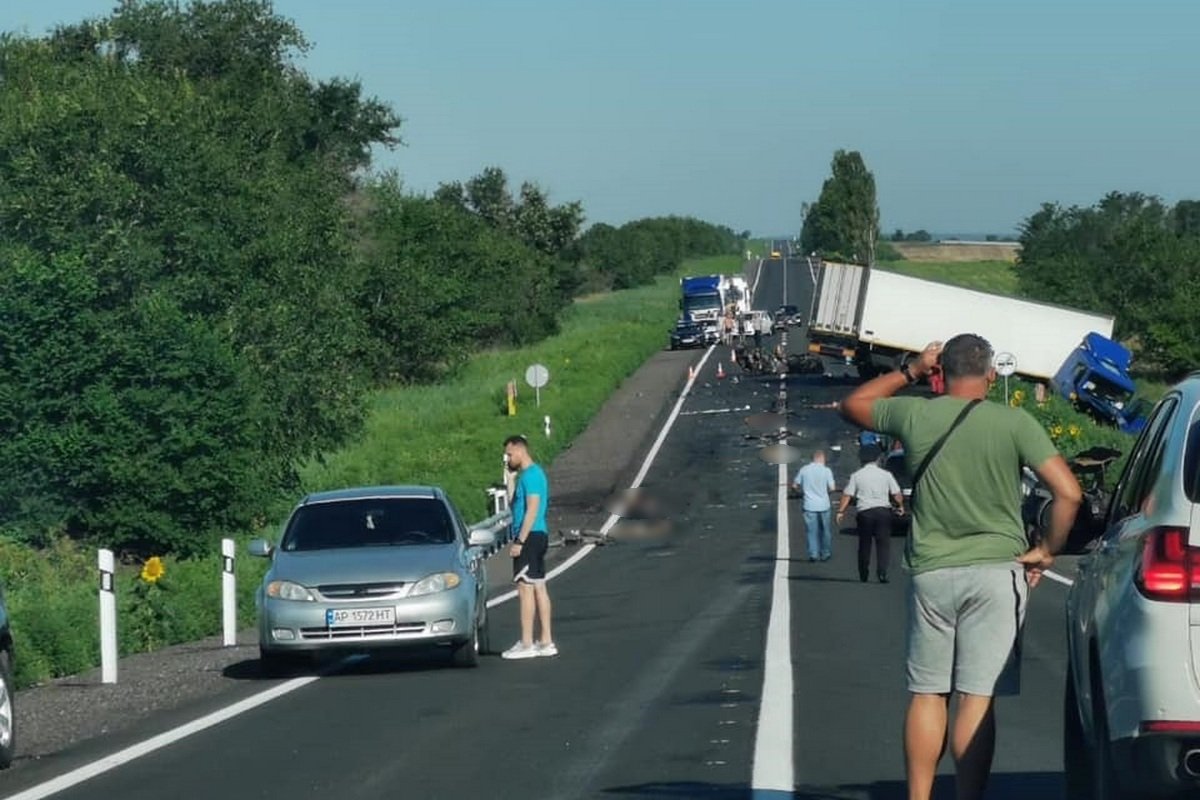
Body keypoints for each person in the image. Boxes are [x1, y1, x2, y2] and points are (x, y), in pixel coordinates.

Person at [839, 334, 1081, 800]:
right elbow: (1068, 493)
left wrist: (910, 371)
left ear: (940, 373)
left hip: (932, 570)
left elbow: (854, 404)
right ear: (991, 374)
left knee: (929, 692)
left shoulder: (914, 414)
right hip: (996, 570)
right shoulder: (1015, 422)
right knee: (977, 695)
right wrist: (1047, 549)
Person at [500, 434, 557, 660]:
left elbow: (532, 509)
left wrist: (519, 541)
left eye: (509, 454)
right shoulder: (529, 476)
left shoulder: (532, 475)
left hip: (530, 537)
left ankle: (526, 643)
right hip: (538, 535)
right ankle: (545, 641)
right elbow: (516, 504)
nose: (507, 459)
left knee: (525, 588)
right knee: (538, 586)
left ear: (519, 449)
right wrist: (510, 479)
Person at [836, 444, 904, 583]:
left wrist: (841, 511)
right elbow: (896, 493)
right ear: (878, 458)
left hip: (865, 512)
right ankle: (882, 571)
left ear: (861, 459)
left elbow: (847, 495)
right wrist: (900, 505)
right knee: (883, 543)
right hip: (883, 512)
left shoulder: (856, 475)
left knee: (864, 543)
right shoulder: (886, 475)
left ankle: (863, 570)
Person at [792, 450, 837, 562]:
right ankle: (825, 553)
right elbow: (832, 488)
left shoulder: (804, 469)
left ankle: (813, 553)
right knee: (825, 530)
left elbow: (795, 485)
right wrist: (826, 493)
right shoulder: (826, 470)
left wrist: (799, 493)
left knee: (811, 531)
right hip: (824, 504)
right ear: (822, 458)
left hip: (809, 505)